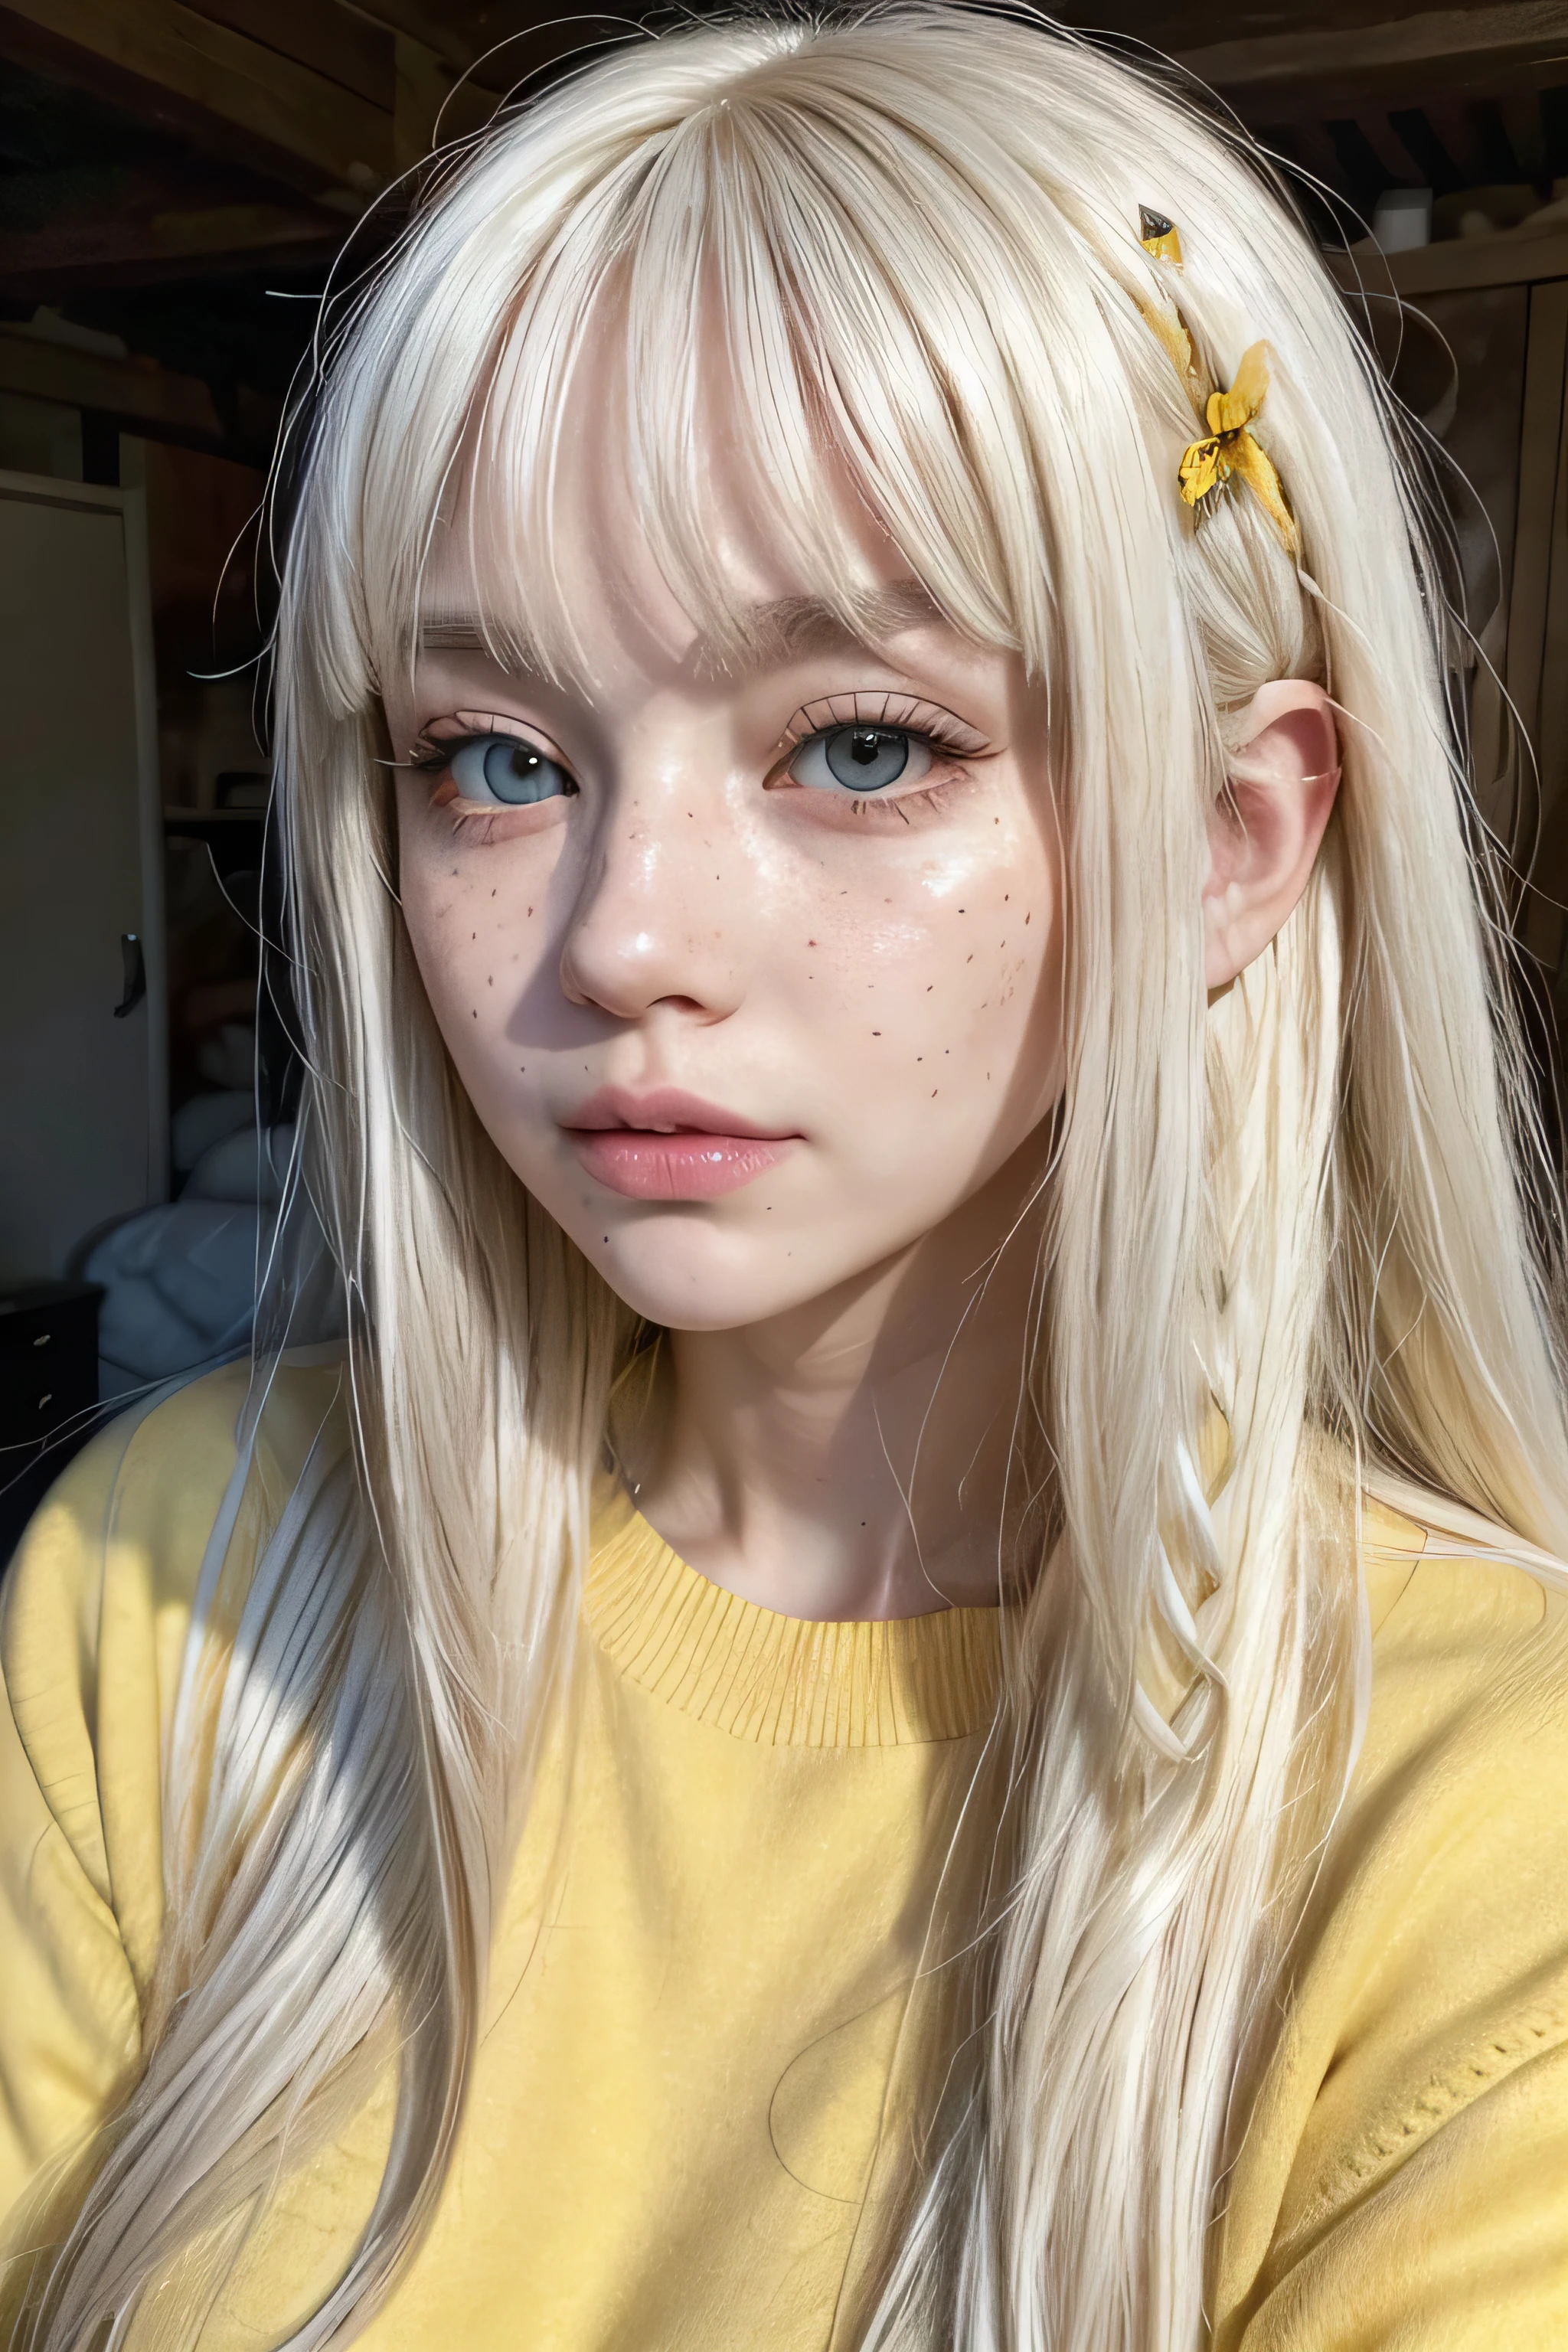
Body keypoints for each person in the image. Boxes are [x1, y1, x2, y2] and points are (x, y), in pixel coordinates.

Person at [4, 9, 1568, 2347]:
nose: (623, 936)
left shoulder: (1482, 1827)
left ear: (1229, 843)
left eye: (862, 744)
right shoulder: (177, 1589)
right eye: (497, 758)